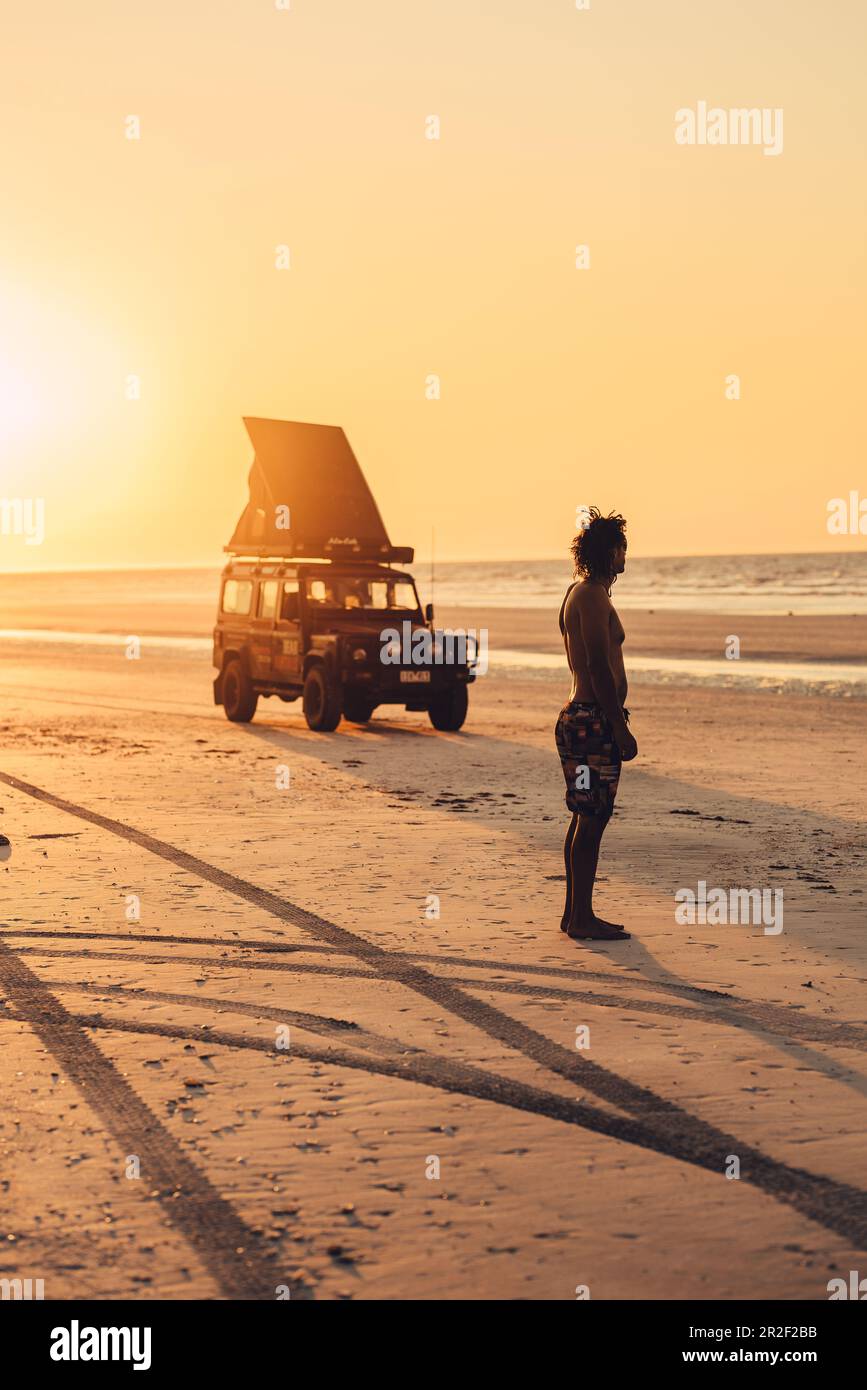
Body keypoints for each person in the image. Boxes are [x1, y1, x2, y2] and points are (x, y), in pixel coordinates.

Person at [555, 508, 637, 940]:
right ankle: (582, 918)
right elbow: (597, 665)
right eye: (622, 547)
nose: (627, 554)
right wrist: (618, 726)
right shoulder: (591, 596)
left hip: (584, 719)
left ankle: (575, 914)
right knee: (592, 816)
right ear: (610, 553)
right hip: (590, 723)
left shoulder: (579, 592)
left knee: (585, 814)